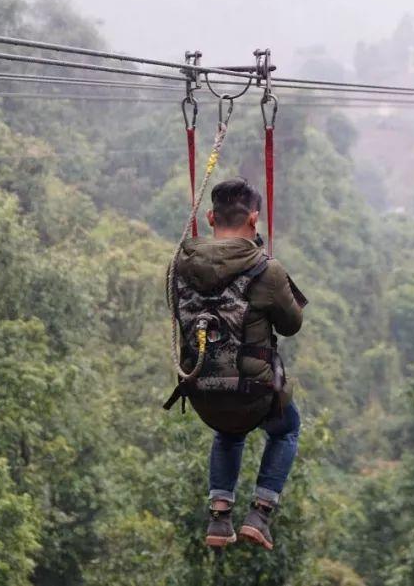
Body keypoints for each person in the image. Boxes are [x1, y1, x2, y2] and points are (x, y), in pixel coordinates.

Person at [169, 177, 305, 551]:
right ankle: (260, 512)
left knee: (228, 430)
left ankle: (219, 515)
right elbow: (291, 325)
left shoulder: (181, 266)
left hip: (200, 392)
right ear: (254, 219)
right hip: (253, 394)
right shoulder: (265, 269)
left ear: (210, 216)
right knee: (286, 428)